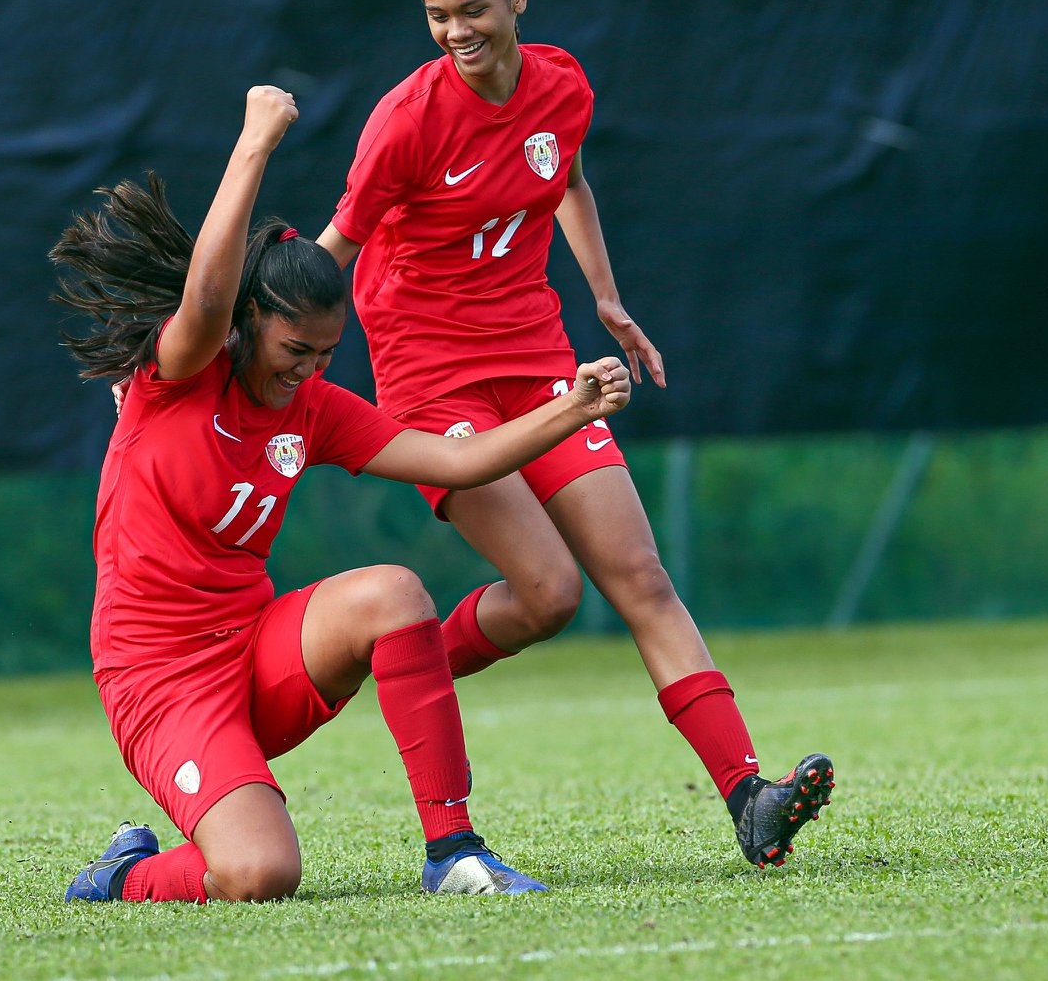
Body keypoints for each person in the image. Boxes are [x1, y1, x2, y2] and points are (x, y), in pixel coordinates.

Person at [312, 0, 833, 870]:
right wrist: (258, 352)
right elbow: (328, 257)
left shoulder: (560, 83)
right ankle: (398, 664)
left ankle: (748, 797)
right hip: (430, 377)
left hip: (538, 356)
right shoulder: (405, 119)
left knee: (638, 577)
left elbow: (568, 186)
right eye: (437, 16)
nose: (457, 31)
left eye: (473, 9)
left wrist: (605, 299)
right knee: (548, 595)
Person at [50, 84, 632, 902]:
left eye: (327, 351)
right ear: (250, 322)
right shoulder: (177, 377)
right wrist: (255, 141)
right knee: (259, 874)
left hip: (253, 651)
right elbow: (209, 293)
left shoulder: (314, 408)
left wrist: (571, 409)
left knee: (392, 594)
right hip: (159, 679)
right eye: (295, 346)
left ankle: (453, 854)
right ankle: (122, 875)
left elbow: (456, 462)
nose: (310, 368)